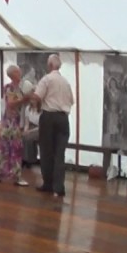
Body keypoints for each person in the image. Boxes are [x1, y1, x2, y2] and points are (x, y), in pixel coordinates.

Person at [30, 54, 74, 197]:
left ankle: (48, 184)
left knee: (47, 152)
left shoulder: (47, 79)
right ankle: (59, 187)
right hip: (63, 119)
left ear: (49, 65)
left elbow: (37, 97)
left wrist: (36, 108)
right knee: (59, 154)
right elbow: (71, 101)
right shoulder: (66, 82)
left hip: (48, 117)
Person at [0, 65, 31, 186]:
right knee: (15, 148)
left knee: (4, 149)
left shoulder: (16, 88)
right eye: (18, 71)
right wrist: (24, 99)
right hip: (10, 124)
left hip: (10, 123)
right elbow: (11, 104)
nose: (20, 73)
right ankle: (15, 176)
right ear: (14, 74)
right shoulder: (11, 88)